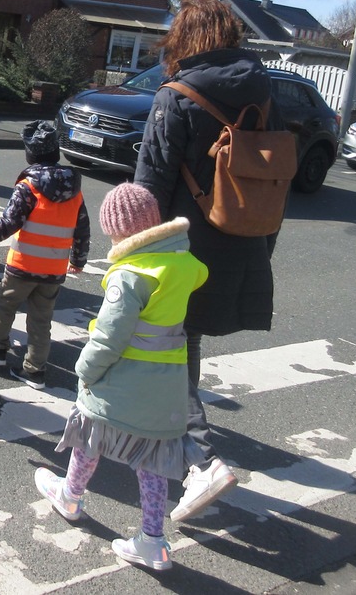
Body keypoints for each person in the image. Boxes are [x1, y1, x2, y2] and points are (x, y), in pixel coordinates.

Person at [133, 0, 284, 522]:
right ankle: (177, 455)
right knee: (182, 348)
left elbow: (147, 190)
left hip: (182, 248)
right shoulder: (265, 94)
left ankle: (200, 459)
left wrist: (132, 260)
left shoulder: (176, 96)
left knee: (166, 354)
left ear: (186, 39)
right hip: (241, 240)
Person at [34, 183, 208, 572]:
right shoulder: (181, 263)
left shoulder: (129, 275)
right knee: (152, 461)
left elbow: (110, 336)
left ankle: (70, 495)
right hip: (165, 382)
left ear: (118, 230)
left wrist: (84, 370)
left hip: (122, 379)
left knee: (88, 435)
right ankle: (153, 540)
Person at [0, 120, 91, 390]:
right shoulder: (74, 190)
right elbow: (82, 227)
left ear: (31, 154)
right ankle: (34, 370)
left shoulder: (29, 186)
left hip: (23, 264)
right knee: (41, 319)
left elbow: (10, 222)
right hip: (54, 268)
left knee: (4, 307)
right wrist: (78, 259)